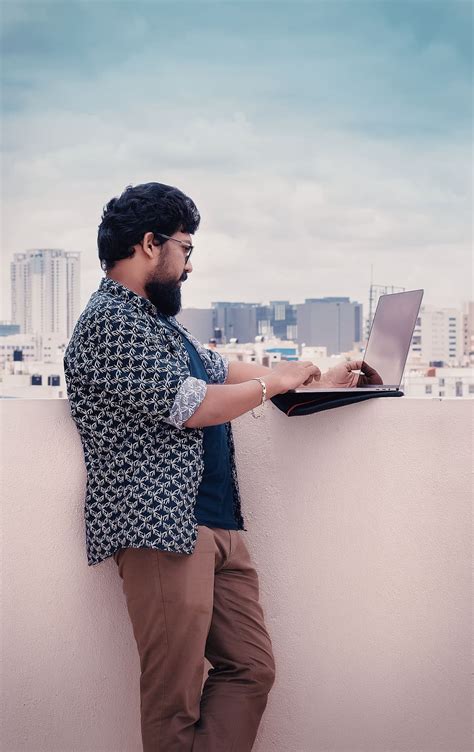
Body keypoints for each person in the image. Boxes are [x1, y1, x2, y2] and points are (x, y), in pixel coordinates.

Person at [63, 181, 369, 752]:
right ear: (151, 245)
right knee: (172, 696)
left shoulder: (156, 323)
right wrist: (271, 382)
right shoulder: (110, 322)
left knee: (251, 669)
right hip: (159, 528)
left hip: (216, 523)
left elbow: (219, 368)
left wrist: (310, 376)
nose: (189, 265)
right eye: (186, 247)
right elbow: (193, 405)